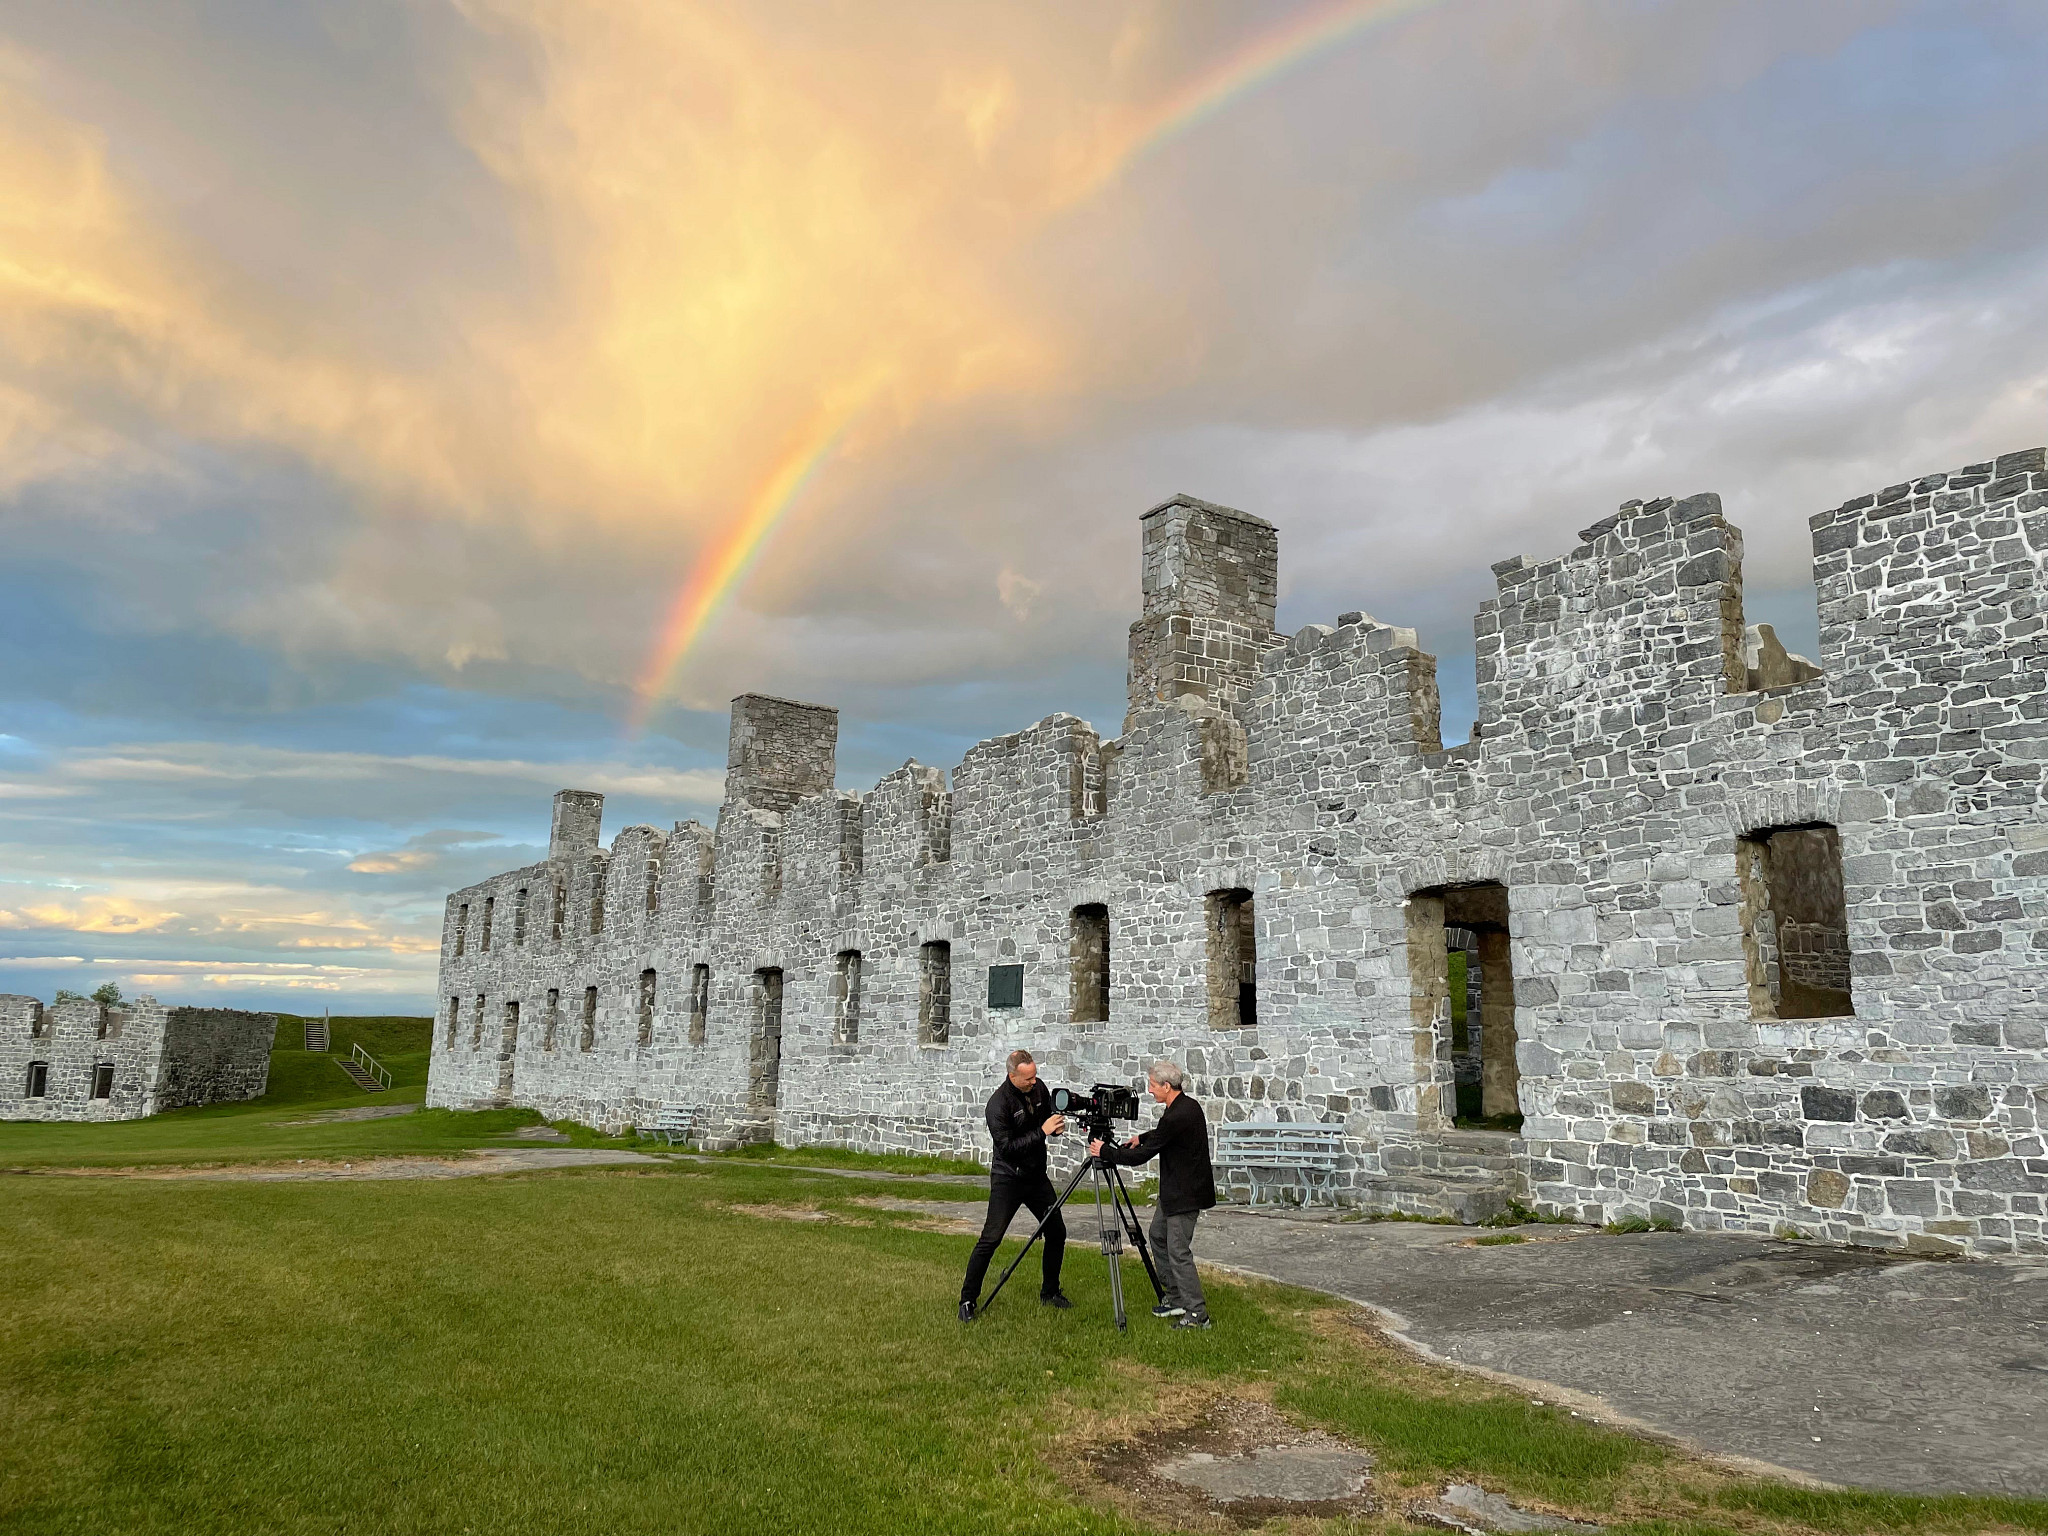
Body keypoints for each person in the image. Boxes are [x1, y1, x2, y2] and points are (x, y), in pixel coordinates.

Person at [1090, 1059, 1216, 1329]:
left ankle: (1197, 1314)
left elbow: (1142, 1157)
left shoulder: (1178, 1114)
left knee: (1178, 1251)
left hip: (1185, 1195)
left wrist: (1106, 1152)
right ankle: (1176, 1298)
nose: (1149, 1091)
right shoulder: (1184, 1106)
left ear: (1167, 1086)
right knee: (1157, 1236)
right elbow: (1163, 1136)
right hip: (1175, 1192)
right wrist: (1144, 1136)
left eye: (1152, 1085)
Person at [959, 1049, 1071, 1320]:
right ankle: (967, 1301)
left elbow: (1046, 1118)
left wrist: (1054, 1128)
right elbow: (1008, 1148)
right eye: (1028, 1078)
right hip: (1008, 1178)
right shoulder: (998, 1105)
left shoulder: (1039, 1088)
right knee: (991, 1238)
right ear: (1012, 1075)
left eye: (1035, 1076)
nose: (1034, 1082)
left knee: (1056, 1232)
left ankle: (1050, 1292)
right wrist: (1041, 1132)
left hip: (1036, 1177)